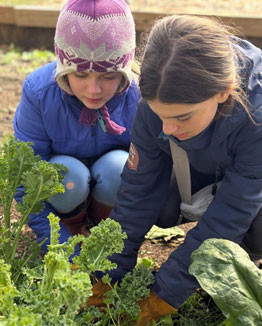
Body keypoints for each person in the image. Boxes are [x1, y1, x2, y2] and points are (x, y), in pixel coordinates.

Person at [87, 15, 262, 325]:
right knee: (129, 189)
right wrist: (106, 273)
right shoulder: (156, 105)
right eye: (160, 115)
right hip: (201, 176)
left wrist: (165, 294)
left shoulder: (257, 116)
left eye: (182, 117)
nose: (167, 129)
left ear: (223, 92)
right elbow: (136, 193)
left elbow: (233, 211)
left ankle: (243, 256)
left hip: (249, 194)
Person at [13, 0, 140, 254]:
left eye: (108, 76)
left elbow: (150, 178)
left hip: (110, 190)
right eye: (80, 75)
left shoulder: (138, 97)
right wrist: (61, 246)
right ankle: (72, 229)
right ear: (62, 67)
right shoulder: (40, 93)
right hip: (67, 195)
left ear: (125, 70)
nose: (94, 89)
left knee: (121, 167)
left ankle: (102, 229)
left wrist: (122, 240)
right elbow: (24, 180)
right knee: (66, 174)